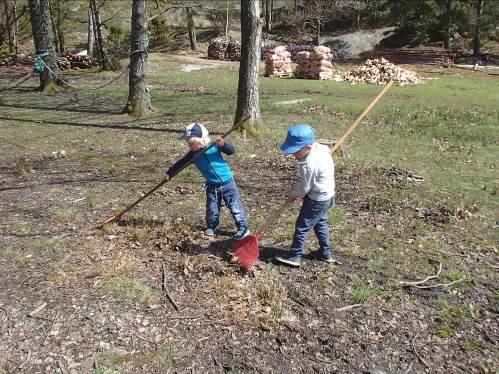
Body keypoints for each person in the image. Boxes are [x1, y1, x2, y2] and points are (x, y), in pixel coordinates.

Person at [164, 122, 249, 240]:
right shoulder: (192, 154)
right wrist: (170, 173)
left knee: (234, 206)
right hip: (212, 185)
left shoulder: (214, 146)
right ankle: (211, 226)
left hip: (227, 182)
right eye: (188, 143)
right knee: (212, 208)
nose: (189, 146)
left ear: (201, 140)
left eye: (191, 143)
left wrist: (223, 144)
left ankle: (243, 227)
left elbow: (231, 151)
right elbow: (181, 163)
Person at [274, 124, 335, 267]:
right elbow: (324, 148)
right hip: (328, 195)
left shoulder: (309, 165)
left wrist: (293, 194)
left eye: (295, 151)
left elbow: (305, 188)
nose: (292, 154)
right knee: (320, 223)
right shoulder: (321, 148)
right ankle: (325, 253)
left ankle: (295, 256)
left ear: (308, 148)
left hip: (316, 199)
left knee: (302, 226)